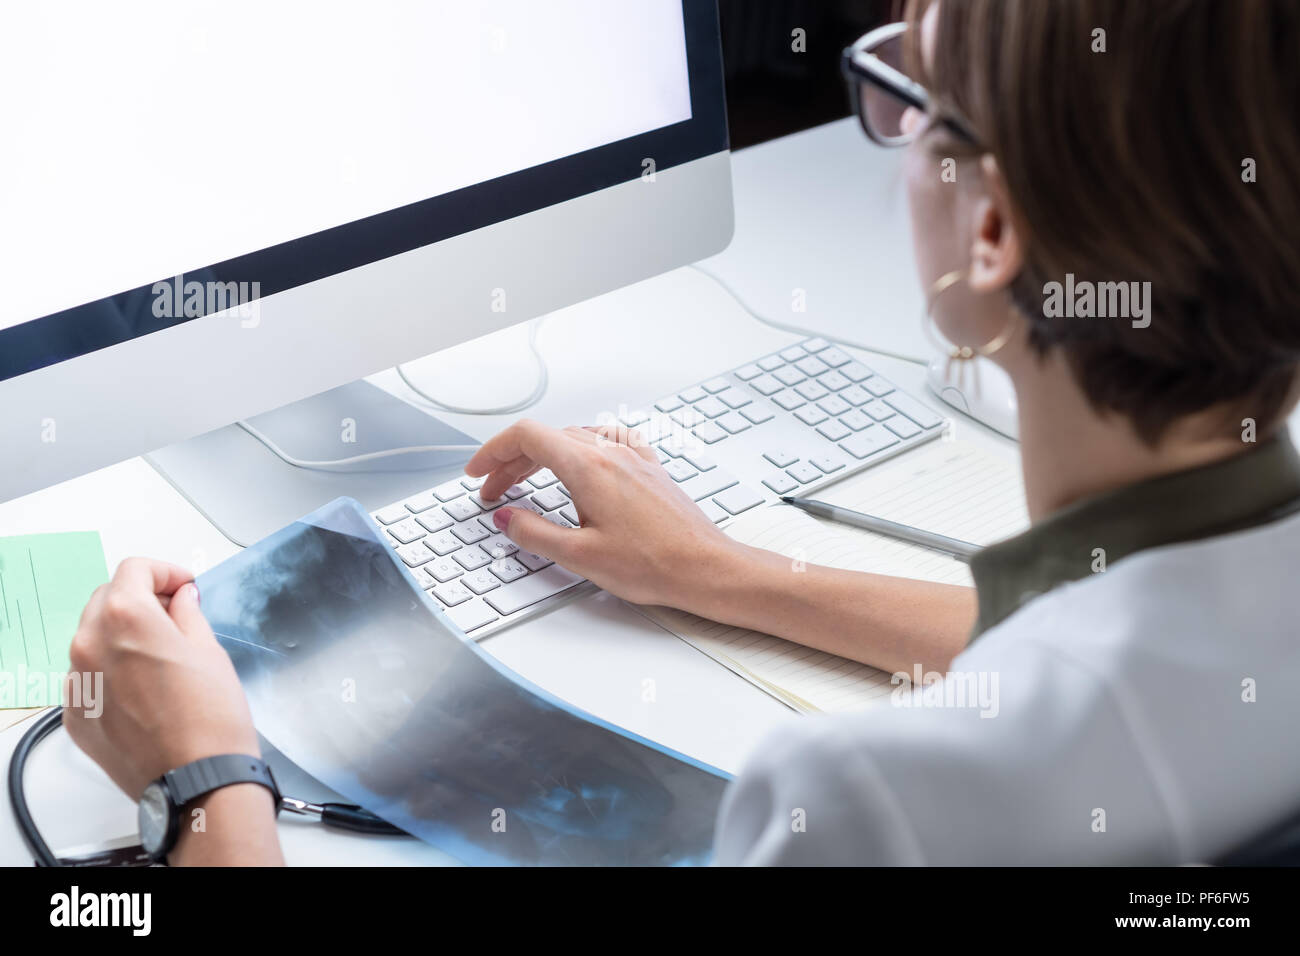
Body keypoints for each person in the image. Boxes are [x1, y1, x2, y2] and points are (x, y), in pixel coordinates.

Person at [64, 0, 1300, 865]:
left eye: (907, 94)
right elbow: (1125, 645)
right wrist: (726, 575)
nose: (888, 123)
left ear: (992, 237)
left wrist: (205, 786)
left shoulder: (878, 805)